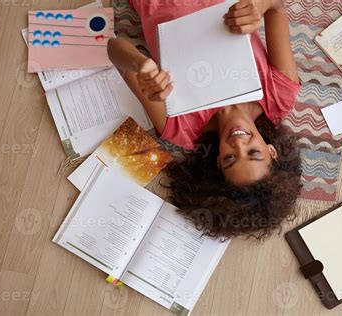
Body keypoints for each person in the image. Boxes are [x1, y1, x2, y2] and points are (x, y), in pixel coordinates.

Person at [107, 0, 302, 240]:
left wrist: (142, 65)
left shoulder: (179, 127)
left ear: (218, 162)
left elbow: (113, 48)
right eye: (253, 152)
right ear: (272, 151)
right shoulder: (280, 96)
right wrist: (260, 6)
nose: (239, 143)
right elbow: (278, 8)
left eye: (230, 158)